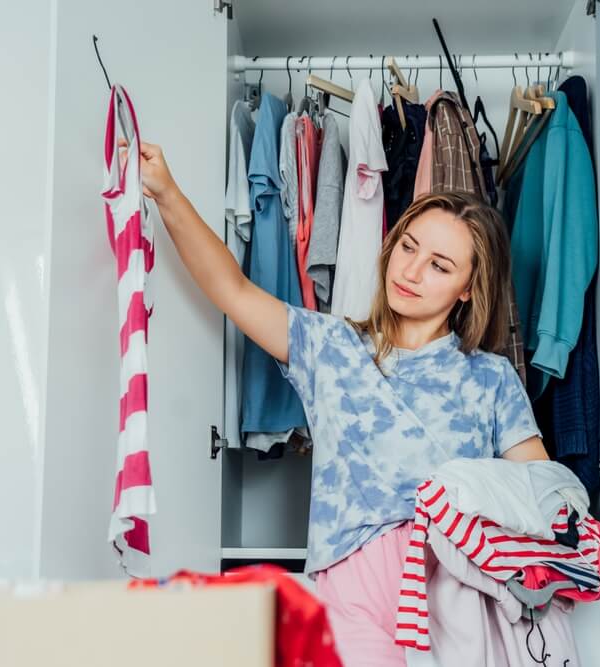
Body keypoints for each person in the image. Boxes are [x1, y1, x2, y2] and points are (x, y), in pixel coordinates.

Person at [135, 141, 548, 666]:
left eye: (440, 266)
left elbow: (541, 499)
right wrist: (166, 192)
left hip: (456, 592)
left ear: (469, 288)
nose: (411, 271)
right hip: (351, 587)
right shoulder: (330, 346)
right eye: (408, 247)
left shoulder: (491, 377)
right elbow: (232, 289)